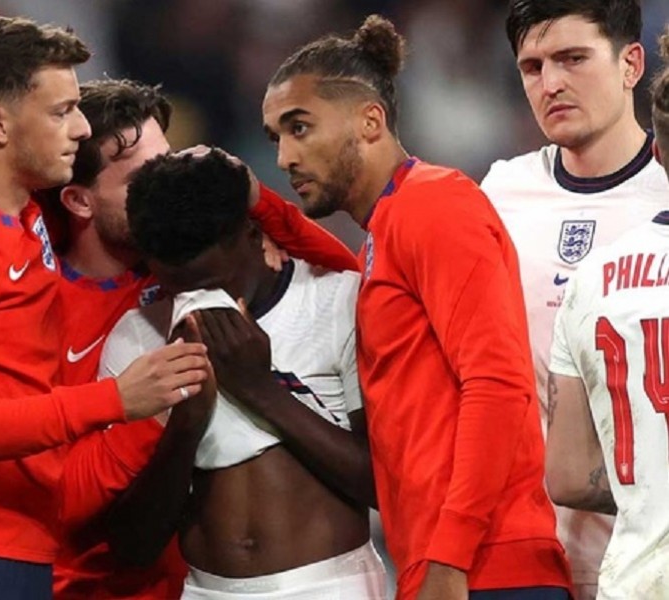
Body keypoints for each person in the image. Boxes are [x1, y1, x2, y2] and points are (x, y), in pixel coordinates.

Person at [0, 17, 211, 600]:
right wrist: (117, 401)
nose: (79, 130)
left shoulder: (25, 221)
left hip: (22, 559)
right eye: (60, 112)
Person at [261, 14, 574, 600]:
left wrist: (449, 557)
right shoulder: (394, 221)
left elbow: (498, 384)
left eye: (300, 128)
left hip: (482, 569)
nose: (283, 156)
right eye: (277, 135)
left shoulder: (434, 206)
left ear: (370, 121)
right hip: (451, 566)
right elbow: (363, 273)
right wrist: (260, 205)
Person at [32, 79, 360, 599]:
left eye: (172, 159)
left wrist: (258, 204)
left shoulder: (195, 266)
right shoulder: (45, 312)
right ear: (79, 200)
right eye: (144, 176)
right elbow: (56, 495)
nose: (167, 184)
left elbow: (346, 281)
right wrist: (162, 412)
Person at [94, 148, 387, 599]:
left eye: (212, 282)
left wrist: (260, 389)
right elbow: (132, 546)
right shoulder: (135, 341)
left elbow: (383, 486)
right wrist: (186, 424)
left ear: (252, 235)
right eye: (177, 286)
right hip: (206, 590)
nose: (197, 300)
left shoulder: (336, 303)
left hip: (333, 583)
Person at [479, 2, 669, 596]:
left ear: (631, 63)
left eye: (572, 58)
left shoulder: (663, 194)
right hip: (531, 556)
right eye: (532, 67)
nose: (551, 83)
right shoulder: (499, 194)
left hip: (647, 557)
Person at [544, 27, 669, 597]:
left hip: (635, 579)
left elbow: (567, 474)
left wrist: (647, 479)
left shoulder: (593, 276)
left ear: (660, 152)